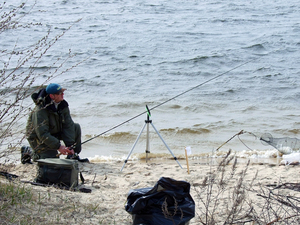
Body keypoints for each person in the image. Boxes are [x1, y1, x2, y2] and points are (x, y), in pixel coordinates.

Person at [25, 83, 88, 163]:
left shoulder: (63, 105)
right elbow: (42, 134)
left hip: (53, 131)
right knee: (51, 161)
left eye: (62, 92)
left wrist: (70, 146)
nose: (63, 94)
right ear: (52, 96)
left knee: (75, 127)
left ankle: (72, 155)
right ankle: (29, 151)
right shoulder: (40, 110)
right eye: (60, 93)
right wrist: (58, 147)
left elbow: (68, 125)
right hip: (38, 138)